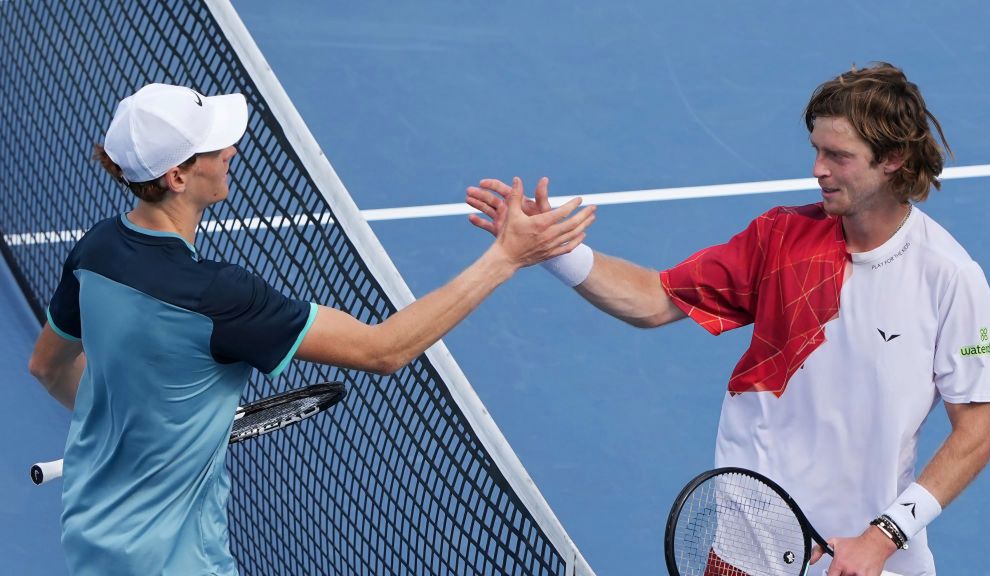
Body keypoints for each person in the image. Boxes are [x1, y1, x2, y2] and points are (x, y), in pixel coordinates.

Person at [27, 82, 595, 575]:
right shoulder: (219, 296)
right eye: (214, 147)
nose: (231, 149)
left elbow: (47, 367)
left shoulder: (96, 251)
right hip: (176, 562)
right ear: (177, 175)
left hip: (92, 536)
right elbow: (384, 349)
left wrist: (139, 427)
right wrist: (507, 257)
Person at [465, 63, 990, 576]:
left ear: (893, 158)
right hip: (752, 545)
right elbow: (653, 299)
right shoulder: (780, 237)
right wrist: (554, 250)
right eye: (816, 150)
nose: (818, 169)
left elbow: (973, 435)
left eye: (838, 156)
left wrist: (883, 536)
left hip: (870, 552)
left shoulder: (949, 278)